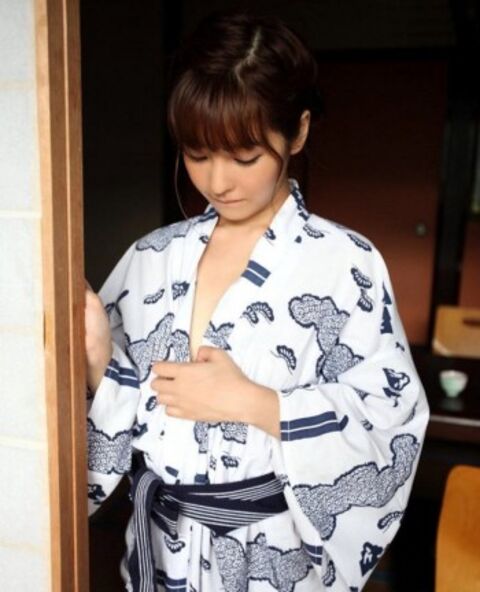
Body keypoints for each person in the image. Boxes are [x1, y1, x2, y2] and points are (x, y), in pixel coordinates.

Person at [85, 11, 429, 592]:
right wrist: (99, 359)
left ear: (298, 132)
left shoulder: (348, 264)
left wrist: (255, 403)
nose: (218, 181)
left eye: (244, 157)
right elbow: (119, 420)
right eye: (197, 153)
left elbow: (392, 425)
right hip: (160, 555)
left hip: (274, 564)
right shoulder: (151, 258)